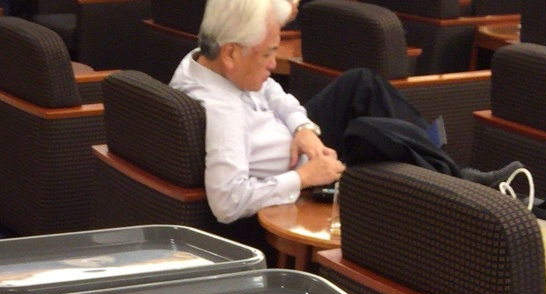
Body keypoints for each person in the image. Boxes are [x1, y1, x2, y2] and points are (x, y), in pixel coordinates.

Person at [169, 0, 450, 223]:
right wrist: (305, 177)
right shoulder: (222, 114)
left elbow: (271, 90)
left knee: (360, 84)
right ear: (230, 54)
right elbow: (227, 202)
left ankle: (445, 168)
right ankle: (451, 187)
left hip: (297, 143)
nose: (273, 65)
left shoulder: (205, 61)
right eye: (266, 54)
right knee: (375, 132)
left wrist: (302, 127)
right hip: (304, 176)